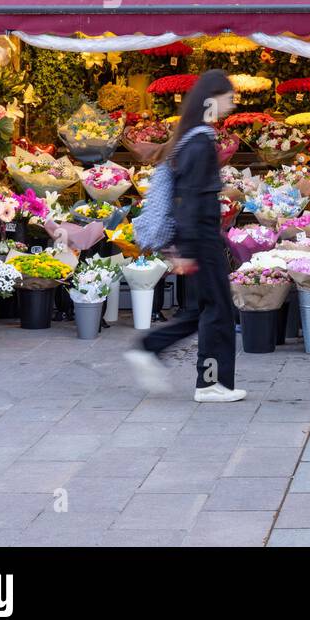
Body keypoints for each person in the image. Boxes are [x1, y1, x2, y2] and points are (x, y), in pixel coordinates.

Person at [124, 69, 245, 403]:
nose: (231, 106)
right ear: (211, 100)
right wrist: (188, 249)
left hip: (200, 240)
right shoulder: (201, 143)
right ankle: (207, 381)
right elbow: (192, 199)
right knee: (216, 311)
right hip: (202, 241)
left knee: (202, 310)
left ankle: (198, 375)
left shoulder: (189, 139)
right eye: (228, 99)